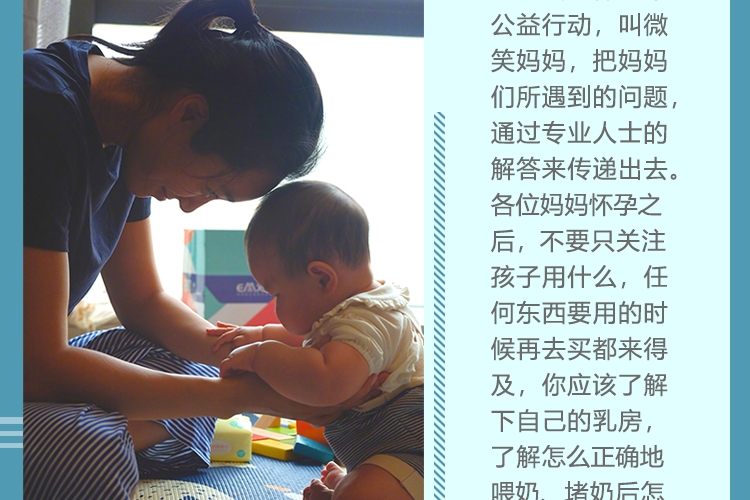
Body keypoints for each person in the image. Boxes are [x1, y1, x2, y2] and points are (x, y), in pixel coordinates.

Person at [23, 1, 377, 498]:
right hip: (26, 366)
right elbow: (36, 363)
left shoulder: (128, 130)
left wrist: (250, 356)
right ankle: (101, 440)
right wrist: (237, 397)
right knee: (94, 450)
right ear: (188, 114)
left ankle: (99, 435)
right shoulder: (38, 110)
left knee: (195, 363)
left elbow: (144, 301)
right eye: (212, 187)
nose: (191, 205)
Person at [209, 180, 424, 500]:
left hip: (415, 454)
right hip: (386, 451)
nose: (275, 307)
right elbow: (311, 341)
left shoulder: (368, 324)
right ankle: (356, 480)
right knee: (360, 484)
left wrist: (260, 355)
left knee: (359, 493)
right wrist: (258, 334)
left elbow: (325, 381)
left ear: (322, 278)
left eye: (277, 294)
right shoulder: (356, 308)